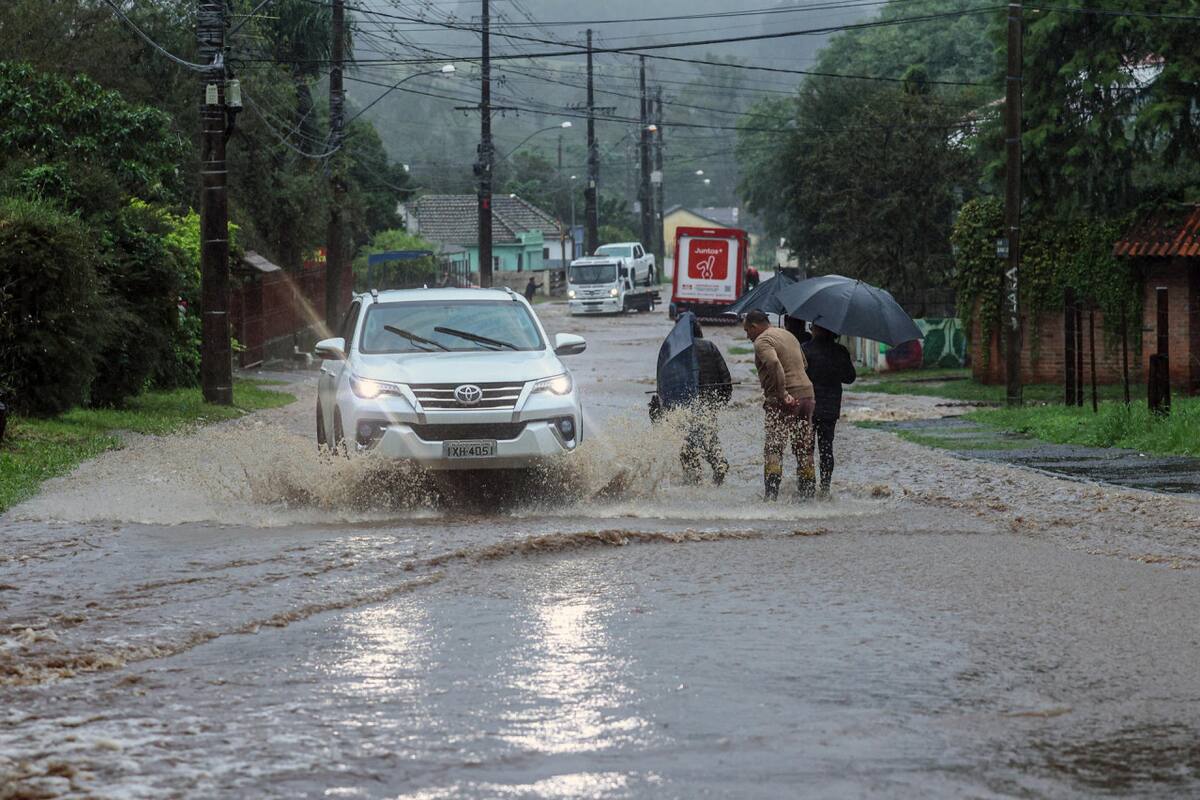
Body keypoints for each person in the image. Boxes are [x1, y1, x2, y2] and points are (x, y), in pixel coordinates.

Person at [742, 309, 816, 500]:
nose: (747, 335)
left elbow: (774, 363)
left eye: (747, 331)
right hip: (807, 395)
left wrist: (783, 393)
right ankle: (807, 497)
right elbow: (804, 365)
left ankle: (771, 498)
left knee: (774, 448)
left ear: (754, 326)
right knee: (804, 447)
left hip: (783, 399)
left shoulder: (762, 341)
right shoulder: (788, 335)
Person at [802, 324, 857, 497]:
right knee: (826, 448)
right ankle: (825, 489)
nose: (810, 329)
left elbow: (797, 374)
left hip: (808, 406)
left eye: (812, 326)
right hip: (830, 408)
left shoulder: (804, 349)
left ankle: (807, 489)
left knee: (806, 449)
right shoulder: (840, 351)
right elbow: (850, 378)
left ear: (817, 329)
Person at [680, 317, 732, 485]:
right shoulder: (710, 346)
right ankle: (719, 465)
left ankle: (693, 481)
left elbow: (673, 380)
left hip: (688, 403)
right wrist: (723, 399)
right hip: (710, 400)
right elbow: (725, 375)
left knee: (688, 441)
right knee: (708, 435)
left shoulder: (680, 351)